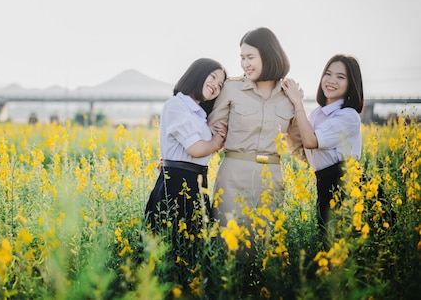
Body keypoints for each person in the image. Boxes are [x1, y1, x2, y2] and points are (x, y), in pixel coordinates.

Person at [207, 27, 300, 231]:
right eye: (242, 58)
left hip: (271, 182)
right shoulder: (232, 89)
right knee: (229, 249)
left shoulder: (289, 96)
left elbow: (300, 145)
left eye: (250, 57)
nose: (245, 64)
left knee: (265, 251)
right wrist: (177, 160)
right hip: (232, 180)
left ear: (269, 55)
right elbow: (212, 134)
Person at [282, 54, 364, 232]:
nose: (331, 80)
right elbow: (302, 147)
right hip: (325, 185)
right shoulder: (316, 115)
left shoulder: (348, 116)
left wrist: (297, 102)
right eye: (328, 74)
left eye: (341, 77)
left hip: (348, 188)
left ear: (351, 84)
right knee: (329, 244)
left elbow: (311, 141)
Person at [144, 58, 227, 233]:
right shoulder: (177, 105)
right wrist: (217, 141)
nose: (215, 86)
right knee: (171, 244)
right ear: (198, 74)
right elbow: (195, 149)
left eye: (220, 85)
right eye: (212, 77)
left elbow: (203, 153)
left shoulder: (199, 115)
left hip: (196, 181)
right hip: (177, 183)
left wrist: (217, 141)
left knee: (193, 247)